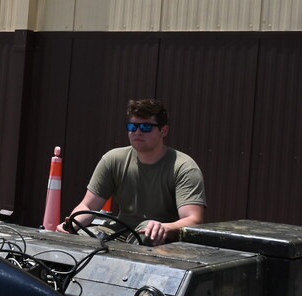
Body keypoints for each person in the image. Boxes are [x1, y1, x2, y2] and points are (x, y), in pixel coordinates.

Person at [59, 98, 205, 246]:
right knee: (81, 236)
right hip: (120, 232)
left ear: (164, 130)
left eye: (146, 127)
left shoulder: (184, 167)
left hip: (158, 240)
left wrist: (165, 227)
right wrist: (72, 224)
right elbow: (88, 207)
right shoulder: (113, 159)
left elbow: (193, 219)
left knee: (147, 230)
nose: (137, 132)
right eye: (132, 126)